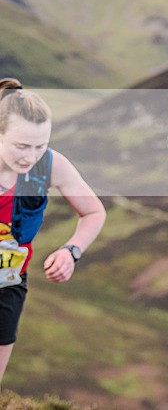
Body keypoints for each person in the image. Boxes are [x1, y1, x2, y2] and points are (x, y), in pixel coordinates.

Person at [0, 78, 106, 389]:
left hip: (8, 285)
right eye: (21, 146)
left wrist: (71, 251)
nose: (30, 157)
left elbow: (93, 212)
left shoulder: (50, 165)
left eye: (40, 145)